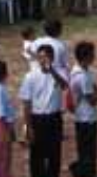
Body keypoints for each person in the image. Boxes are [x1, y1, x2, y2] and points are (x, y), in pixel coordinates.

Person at [20, 44, 67, 177]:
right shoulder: (30, 76)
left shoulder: (59, 72)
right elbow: (26, 103)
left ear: (52, 58)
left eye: (46, 57)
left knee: (54, 155)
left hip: (54, 118)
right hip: (38, 119)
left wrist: (52, 71)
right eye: (40, 57)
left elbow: (64, 86)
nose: (43, 60)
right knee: (37, 156)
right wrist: (28, 127)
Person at [70, 41, 97, 177]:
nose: (94, 56)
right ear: (86, 56)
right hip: (87, 118)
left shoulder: (78, 71)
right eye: (92, 54)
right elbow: (92, 100)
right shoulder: (83, 76)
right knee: (89, 152)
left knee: (84, 150)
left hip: (81, 116)